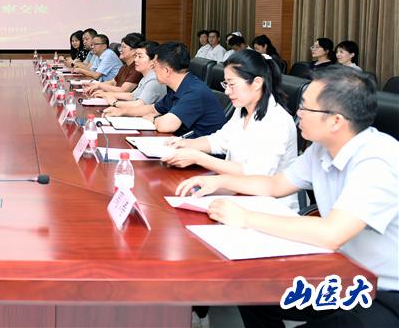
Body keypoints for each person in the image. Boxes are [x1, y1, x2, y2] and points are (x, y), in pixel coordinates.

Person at [176, 66, 399, 327]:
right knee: (250, 289)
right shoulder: (321, 148)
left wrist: (246, 217)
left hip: (383, 291)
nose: (298, 113)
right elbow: (275, 184)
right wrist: (218, 181)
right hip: (341, 271)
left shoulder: (378, 160)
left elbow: (332, 233)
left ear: (336, 120)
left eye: (305, 108)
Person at [163, 50, 298, 209]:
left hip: (269, 207)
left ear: (256, 83)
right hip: (235, 192)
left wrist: (198, 158)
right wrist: (184, 144)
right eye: (225, 84)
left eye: (232, 84)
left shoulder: (277, 121)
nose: (227, 91)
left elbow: (255, 174)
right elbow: (219, 140)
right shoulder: (242, 109)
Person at [103, 42, 227, 137]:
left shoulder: (194, 91)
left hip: (199, 155)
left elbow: (166, 125)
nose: (153, 69)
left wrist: (153, 118)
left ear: (167, 70)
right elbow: (152, 108)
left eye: (155, 65)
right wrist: (122, 111)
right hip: (179, 145)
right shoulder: (177, 86)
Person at [96, 41, 166, 106]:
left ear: (153, 61)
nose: (135, 60)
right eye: (136, 56)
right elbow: (133, 96)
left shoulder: (154, 79)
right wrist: (106, 94)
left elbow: (139, 104)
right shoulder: (146, 76)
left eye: (140, 56)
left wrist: (115, 103)